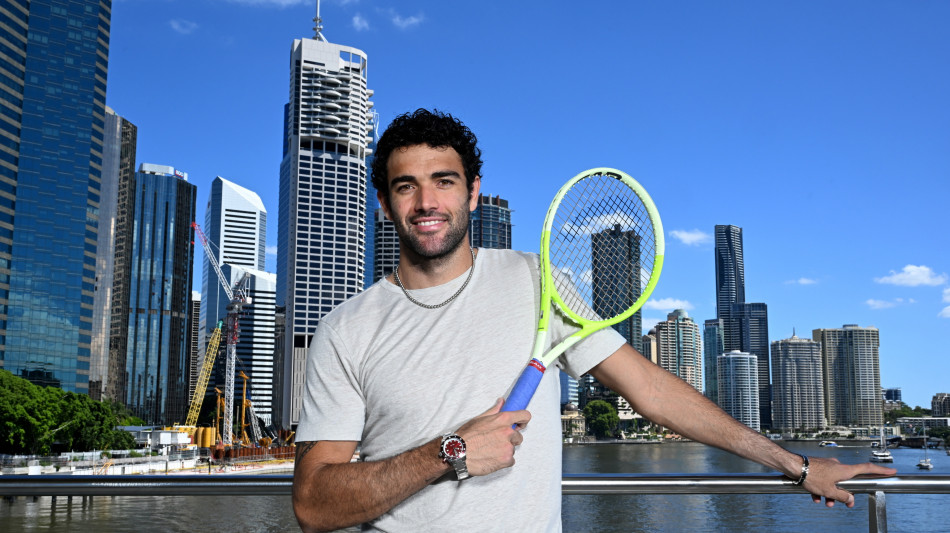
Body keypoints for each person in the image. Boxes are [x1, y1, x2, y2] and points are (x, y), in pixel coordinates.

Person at [291, 109, 895, 532]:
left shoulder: (536, 279)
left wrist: (798, 465)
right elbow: (314, 505)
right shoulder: (347, 329)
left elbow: (652, 391)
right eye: (407, 186)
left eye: (443, 182)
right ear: (385, 201)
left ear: (473, 193)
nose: (426, 203)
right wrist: (448, 452)